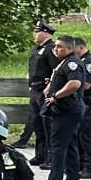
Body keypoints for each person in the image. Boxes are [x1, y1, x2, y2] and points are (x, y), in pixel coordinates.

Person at [35, 35, 85, 180]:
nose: (55, 49)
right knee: (69, 144)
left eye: (59, 47)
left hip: (67, 110)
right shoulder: (64, 62)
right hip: (68, 109)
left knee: (57, 145)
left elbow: (74, 83)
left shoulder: (71, 62)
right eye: (55, 46)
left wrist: (55, 96)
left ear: (70, 48)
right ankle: (72, 179)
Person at [25, 22, 60, 168]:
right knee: (37, 124)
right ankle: (40, 155)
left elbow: (56, 70)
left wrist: (49, 88)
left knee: (47, 125)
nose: (34, 34)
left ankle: (51, 158)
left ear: (46, 33)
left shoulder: (51, 49)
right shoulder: (37, 49)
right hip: (34, 89)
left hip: (43, 91)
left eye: (37, 32)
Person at [74, 37, 91, 179]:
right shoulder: (80, 61)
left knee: (86, 135)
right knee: (79, 134)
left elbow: (86, 84)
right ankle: (81, 164)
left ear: (81, 48)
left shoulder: (90, 62)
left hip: (89, 102)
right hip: (81, 102)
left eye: (73, 49)